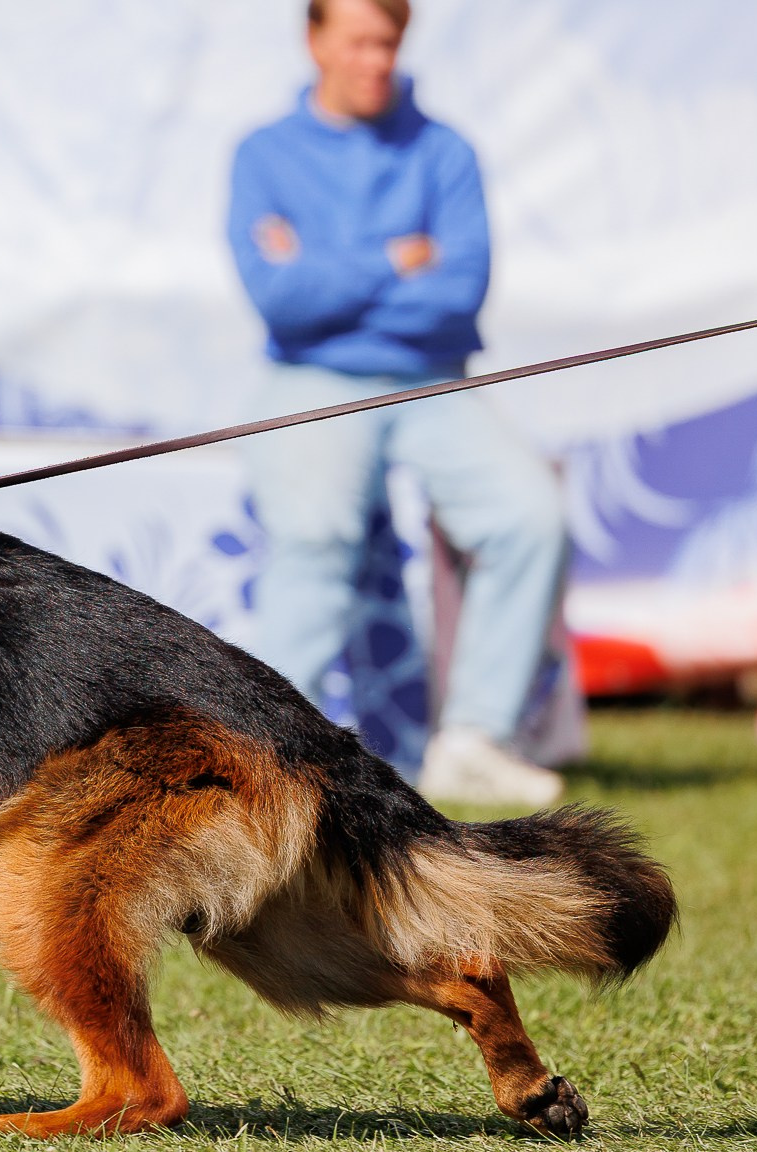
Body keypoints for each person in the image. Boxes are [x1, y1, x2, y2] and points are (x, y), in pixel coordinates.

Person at [227, 0, 568, 808]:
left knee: (530, 514)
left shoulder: (444, 150)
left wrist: (329, 272)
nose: (375, 59)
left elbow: (459, 295)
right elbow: (279, 301)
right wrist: (394, 260)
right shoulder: (264, 154)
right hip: (312, 378)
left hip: (431, 376)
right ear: (315, 40)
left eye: (388, 42)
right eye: (358, 41)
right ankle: (273, 751)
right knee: (314, 535)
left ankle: (475, 739)